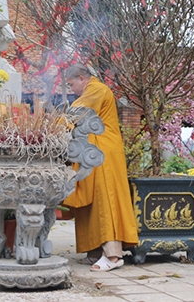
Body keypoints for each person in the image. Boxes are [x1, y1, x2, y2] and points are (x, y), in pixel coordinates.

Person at [62, 64, 139, 271]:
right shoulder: (92, 90)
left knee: (106, 200)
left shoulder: (97, 89)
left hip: (103, 153)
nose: (72, 90)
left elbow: (77, 113)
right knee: (92, 200)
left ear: (82, 78)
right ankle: (95, 251)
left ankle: (113, 256)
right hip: (93, 151)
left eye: (72, 85)